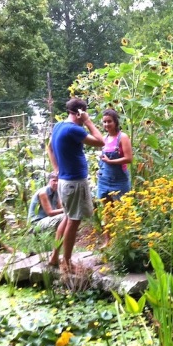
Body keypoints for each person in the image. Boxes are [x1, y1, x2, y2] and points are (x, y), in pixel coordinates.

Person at [47, 98, 105, 272]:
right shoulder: (73, 129)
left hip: (66, 181)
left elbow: (49, 147)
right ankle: (67, 261)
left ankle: (54, 257)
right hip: (74, 182)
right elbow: (100, 141)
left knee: (67, 217)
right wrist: (87, 121)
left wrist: (56, 168)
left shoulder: (58, 126)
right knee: (73, 221)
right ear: (79, 112)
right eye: (84, 112)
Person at [96, 109, 133, 246]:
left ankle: (124, 241)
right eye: (104, 122)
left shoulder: (122, 137)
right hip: (104, 180)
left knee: (122, 211)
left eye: (109, 121)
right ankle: (108, 242)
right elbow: (102, 159)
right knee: (107, 212)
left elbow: (129, 158)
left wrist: (111, 162)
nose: (106, 124)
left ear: (116, 122)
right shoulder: (103, 139)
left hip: (119, 180)